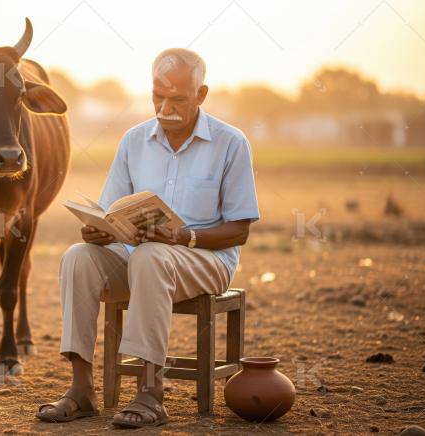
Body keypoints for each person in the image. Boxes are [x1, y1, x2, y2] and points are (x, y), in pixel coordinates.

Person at [36, 48, 259, 428]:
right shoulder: (134, 140)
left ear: (201, 95)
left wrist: (183, 236)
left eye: (178, 98)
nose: (165, 106)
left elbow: (239, 230)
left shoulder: (231, 143)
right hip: (139, 256)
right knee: (78, 256)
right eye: (158, 95)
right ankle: (82, 389)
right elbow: (111, 210)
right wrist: (99, 231)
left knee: (152, 255)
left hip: (206, 259)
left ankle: (151, 393)